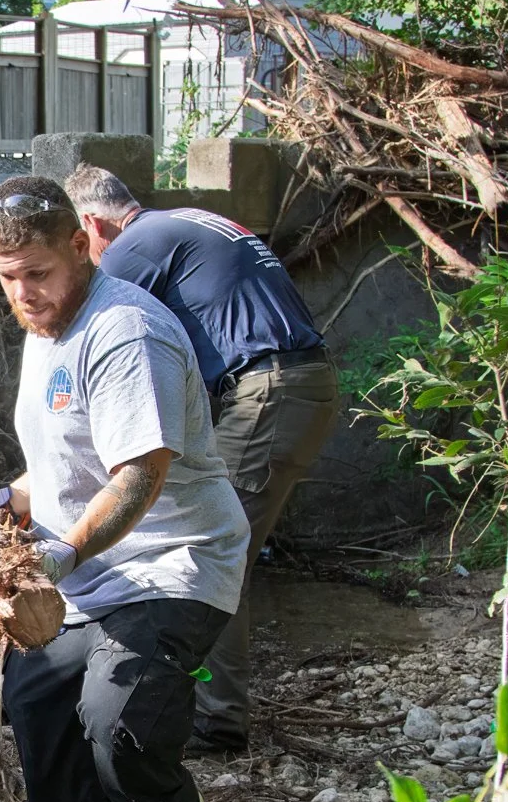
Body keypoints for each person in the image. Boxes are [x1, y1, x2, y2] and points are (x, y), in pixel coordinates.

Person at [0, 174, 249, 802]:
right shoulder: (44, 336)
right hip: (94, 575)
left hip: (176, 562)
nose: (25, 293)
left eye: (38, 273)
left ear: (79, 246)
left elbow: (140, 475)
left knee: (116, 712)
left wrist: (60, 554)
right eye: (8, 279)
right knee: (36, 700)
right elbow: (65, 470)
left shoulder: (125, 331)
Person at [62, 165, 339, 754]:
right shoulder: (180, 222)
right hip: (291, 385)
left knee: (214, 550)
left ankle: (216, 724)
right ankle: (210, 707)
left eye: (76, 244)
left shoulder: (135, 244)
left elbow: (83, 321)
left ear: (90, 224)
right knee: (220, 544)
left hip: (267, 391)